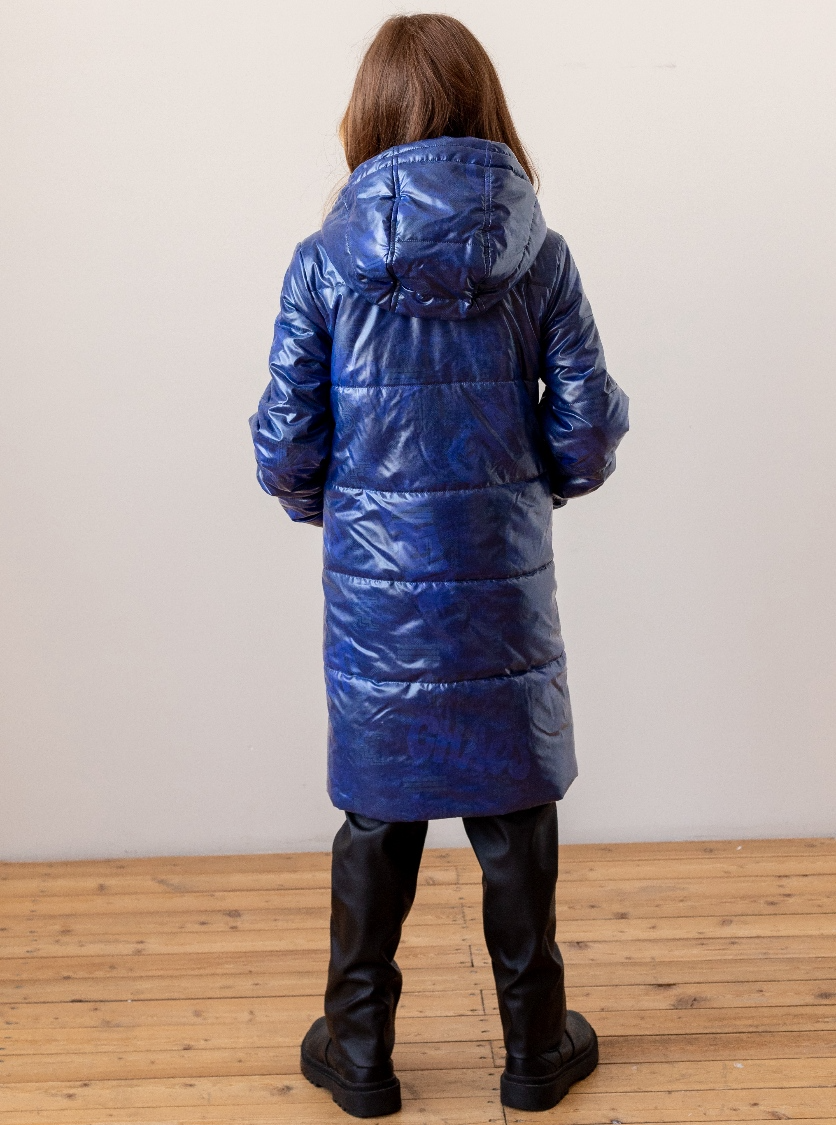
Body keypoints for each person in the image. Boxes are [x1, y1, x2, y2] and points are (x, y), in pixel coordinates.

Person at [249, 12, 629, 1117]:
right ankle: (535, 1049)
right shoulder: (538, 257)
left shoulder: (322, 264)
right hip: (502, 583)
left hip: (375, 597)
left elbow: (285, 446)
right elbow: (586, 432)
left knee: (379, 810)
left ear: (367, 115)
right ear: (484, 106)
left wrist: (342, 517)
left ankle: (359, 1052)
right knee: (514, 807)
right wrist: (525, 495)